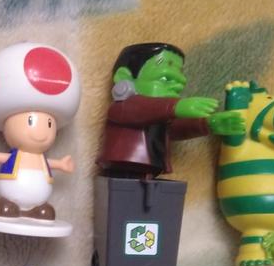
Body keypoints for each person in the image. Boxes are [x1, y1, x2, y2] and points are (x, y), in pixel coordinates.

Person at [0, 42, 80, 233]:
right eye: (30, 121)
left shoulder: (41, 157)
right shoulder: (18, 154)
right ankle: (7, 204)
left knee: (45, 212)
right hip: (9, 197)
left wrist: (61, 164)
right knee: (5, 208)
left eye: (49, 124)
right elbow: (5, 158)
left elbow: (49, 164)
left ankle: (36, 209)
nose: (41, 133)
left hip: (39, 200)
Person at [98, 42, 244, 177]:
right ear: (125, 77)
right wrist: (175, 106)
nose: (178, 86)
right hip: (122, 168)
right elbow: (140, 109)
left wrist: (207, 124)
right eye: (165, 79)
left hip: (150, 173)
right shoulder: (122, 107)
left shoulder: (160, 115)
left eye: (180, 84)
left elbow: (173, 128)